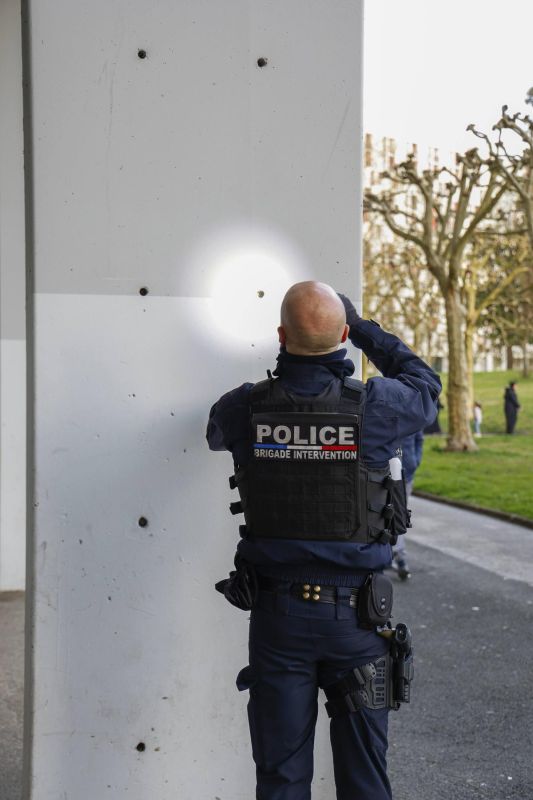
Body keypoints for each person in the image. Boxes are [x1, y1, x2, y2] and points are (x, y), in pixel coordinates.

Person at [206, 281, 441, 800]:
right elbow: (426, 385)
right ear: (341, 335)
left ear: (281, 334)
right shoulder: (379, 407)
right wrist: (364, 330)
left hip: (277, 621)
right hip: (356, 624)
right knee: (364, 781)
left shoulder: (244, 408)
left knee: (282, 780)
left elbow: (214, 435)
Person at [392, 429, 424, 580]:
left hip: (407, 474)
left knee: (399, 514)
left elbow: (419, 438)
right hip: (387, 472)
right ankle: (398, 556)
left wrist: (415, 460)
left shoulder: (412, 409)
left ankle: (397, 555)